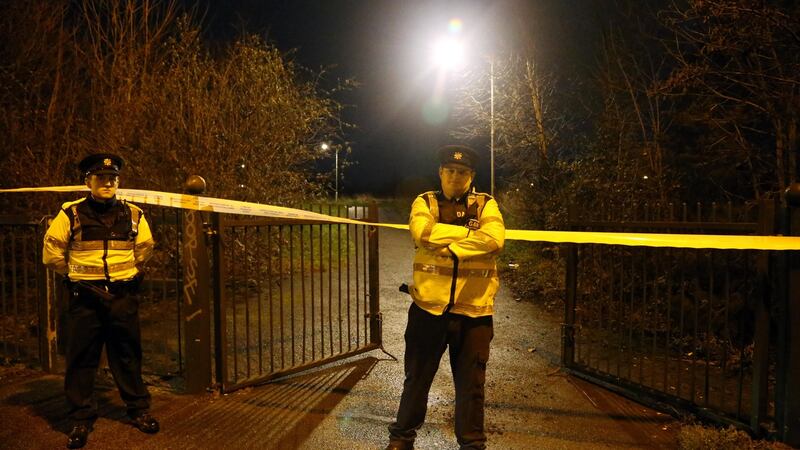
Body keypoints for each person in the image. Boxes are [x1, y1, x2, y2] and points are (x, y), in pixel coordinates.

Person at [387, 144, 505, 450]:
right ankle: (402, 438)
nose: (455, 176)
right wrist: (470, 237)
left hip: (475, 313)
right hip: (428, 309)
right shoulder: (425, 200)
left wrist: (451, 246)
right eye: (450, 170)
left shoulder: (486, 203)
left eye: (462, 172)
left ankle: (472, 445)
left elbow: (494, 240)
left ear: (471, 176)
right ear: (441, 172)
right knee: (417, 379)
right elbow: (422, 234)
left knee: (472, 387)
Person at [42, 153, 159, 449]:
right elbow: (52, 252)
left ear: (118, 181)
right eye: (100, 178)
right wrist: (73, 274)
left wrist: (126, 273)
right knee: (82, 358)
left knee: (128, 355)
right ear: (88, 181)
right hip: (86, 298)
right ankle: (81, 418)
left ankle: (138, 410)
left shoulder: (134, 214)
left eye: (112, 178)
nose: (107, 183)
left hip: (122, 296)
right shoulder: (71, 214)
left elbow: (144, 247)